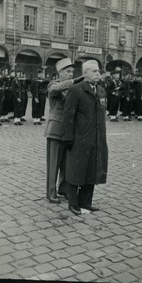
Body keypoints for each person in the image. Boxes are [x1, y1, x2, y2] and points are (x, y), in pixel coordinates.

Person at [63, 60, 108, 216]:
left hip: (97, 138)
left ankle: (86, 202)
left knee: (92, 170)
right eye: (94, 71)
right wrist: (68, 139)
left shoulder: (101, 91)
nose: (98, 74)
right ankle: (73, 203)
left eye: (98, 71)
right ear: (85, 74)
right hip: (79, 138)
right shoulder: (76, 90)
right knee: (76, 170)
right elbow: (68, 116)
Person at [45, 58, 84, 203]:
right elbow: (55, 90)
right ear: (60, 73)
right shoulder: (53, 85)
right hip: (55, 129)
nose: (70, 74)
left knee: (66, 164)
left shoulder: (72, 89)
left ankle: (64, 189)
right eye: (68, 72)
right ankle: (51, 193)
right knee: (53, 163)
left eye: (72, 72)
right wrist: (76, 80)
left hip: (68, 131)